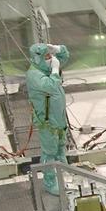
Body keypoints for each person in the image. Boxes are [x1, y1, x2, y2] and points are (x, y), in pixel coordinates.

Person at [25, 42, 70, 196]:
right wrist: (55, 70)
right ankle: (50, 182)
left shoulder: (46, 68)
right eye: (47, 57)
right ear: (37, 58)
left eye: (50, 56)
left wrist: (58, 49)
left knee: (60, 147)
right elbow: (50, 86)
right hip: (47, 122)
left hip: (58, 119)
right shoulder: (34, 74)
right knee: (50, 152)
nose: (50, 59)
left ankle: (62, 174)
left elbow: (65, 56)